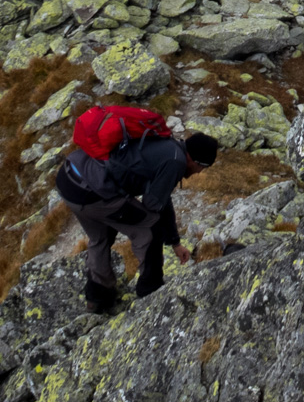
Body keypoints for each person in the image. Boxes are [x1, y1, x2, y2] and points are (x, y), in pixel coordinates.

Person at [54, 126, 220, 309]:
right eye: (202, 168)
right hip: (91, 191)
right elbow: (153, 204)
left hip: (70, 179)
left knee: (101, 235)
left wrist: (175, 242)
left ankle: (98, 298)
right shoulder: (176, 161)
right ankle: (151, 292)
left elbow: (162, 199)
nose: (199, 173)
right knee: (150, 228)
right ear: (195, 160)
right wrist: (165, 229)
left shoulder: (167, 145)